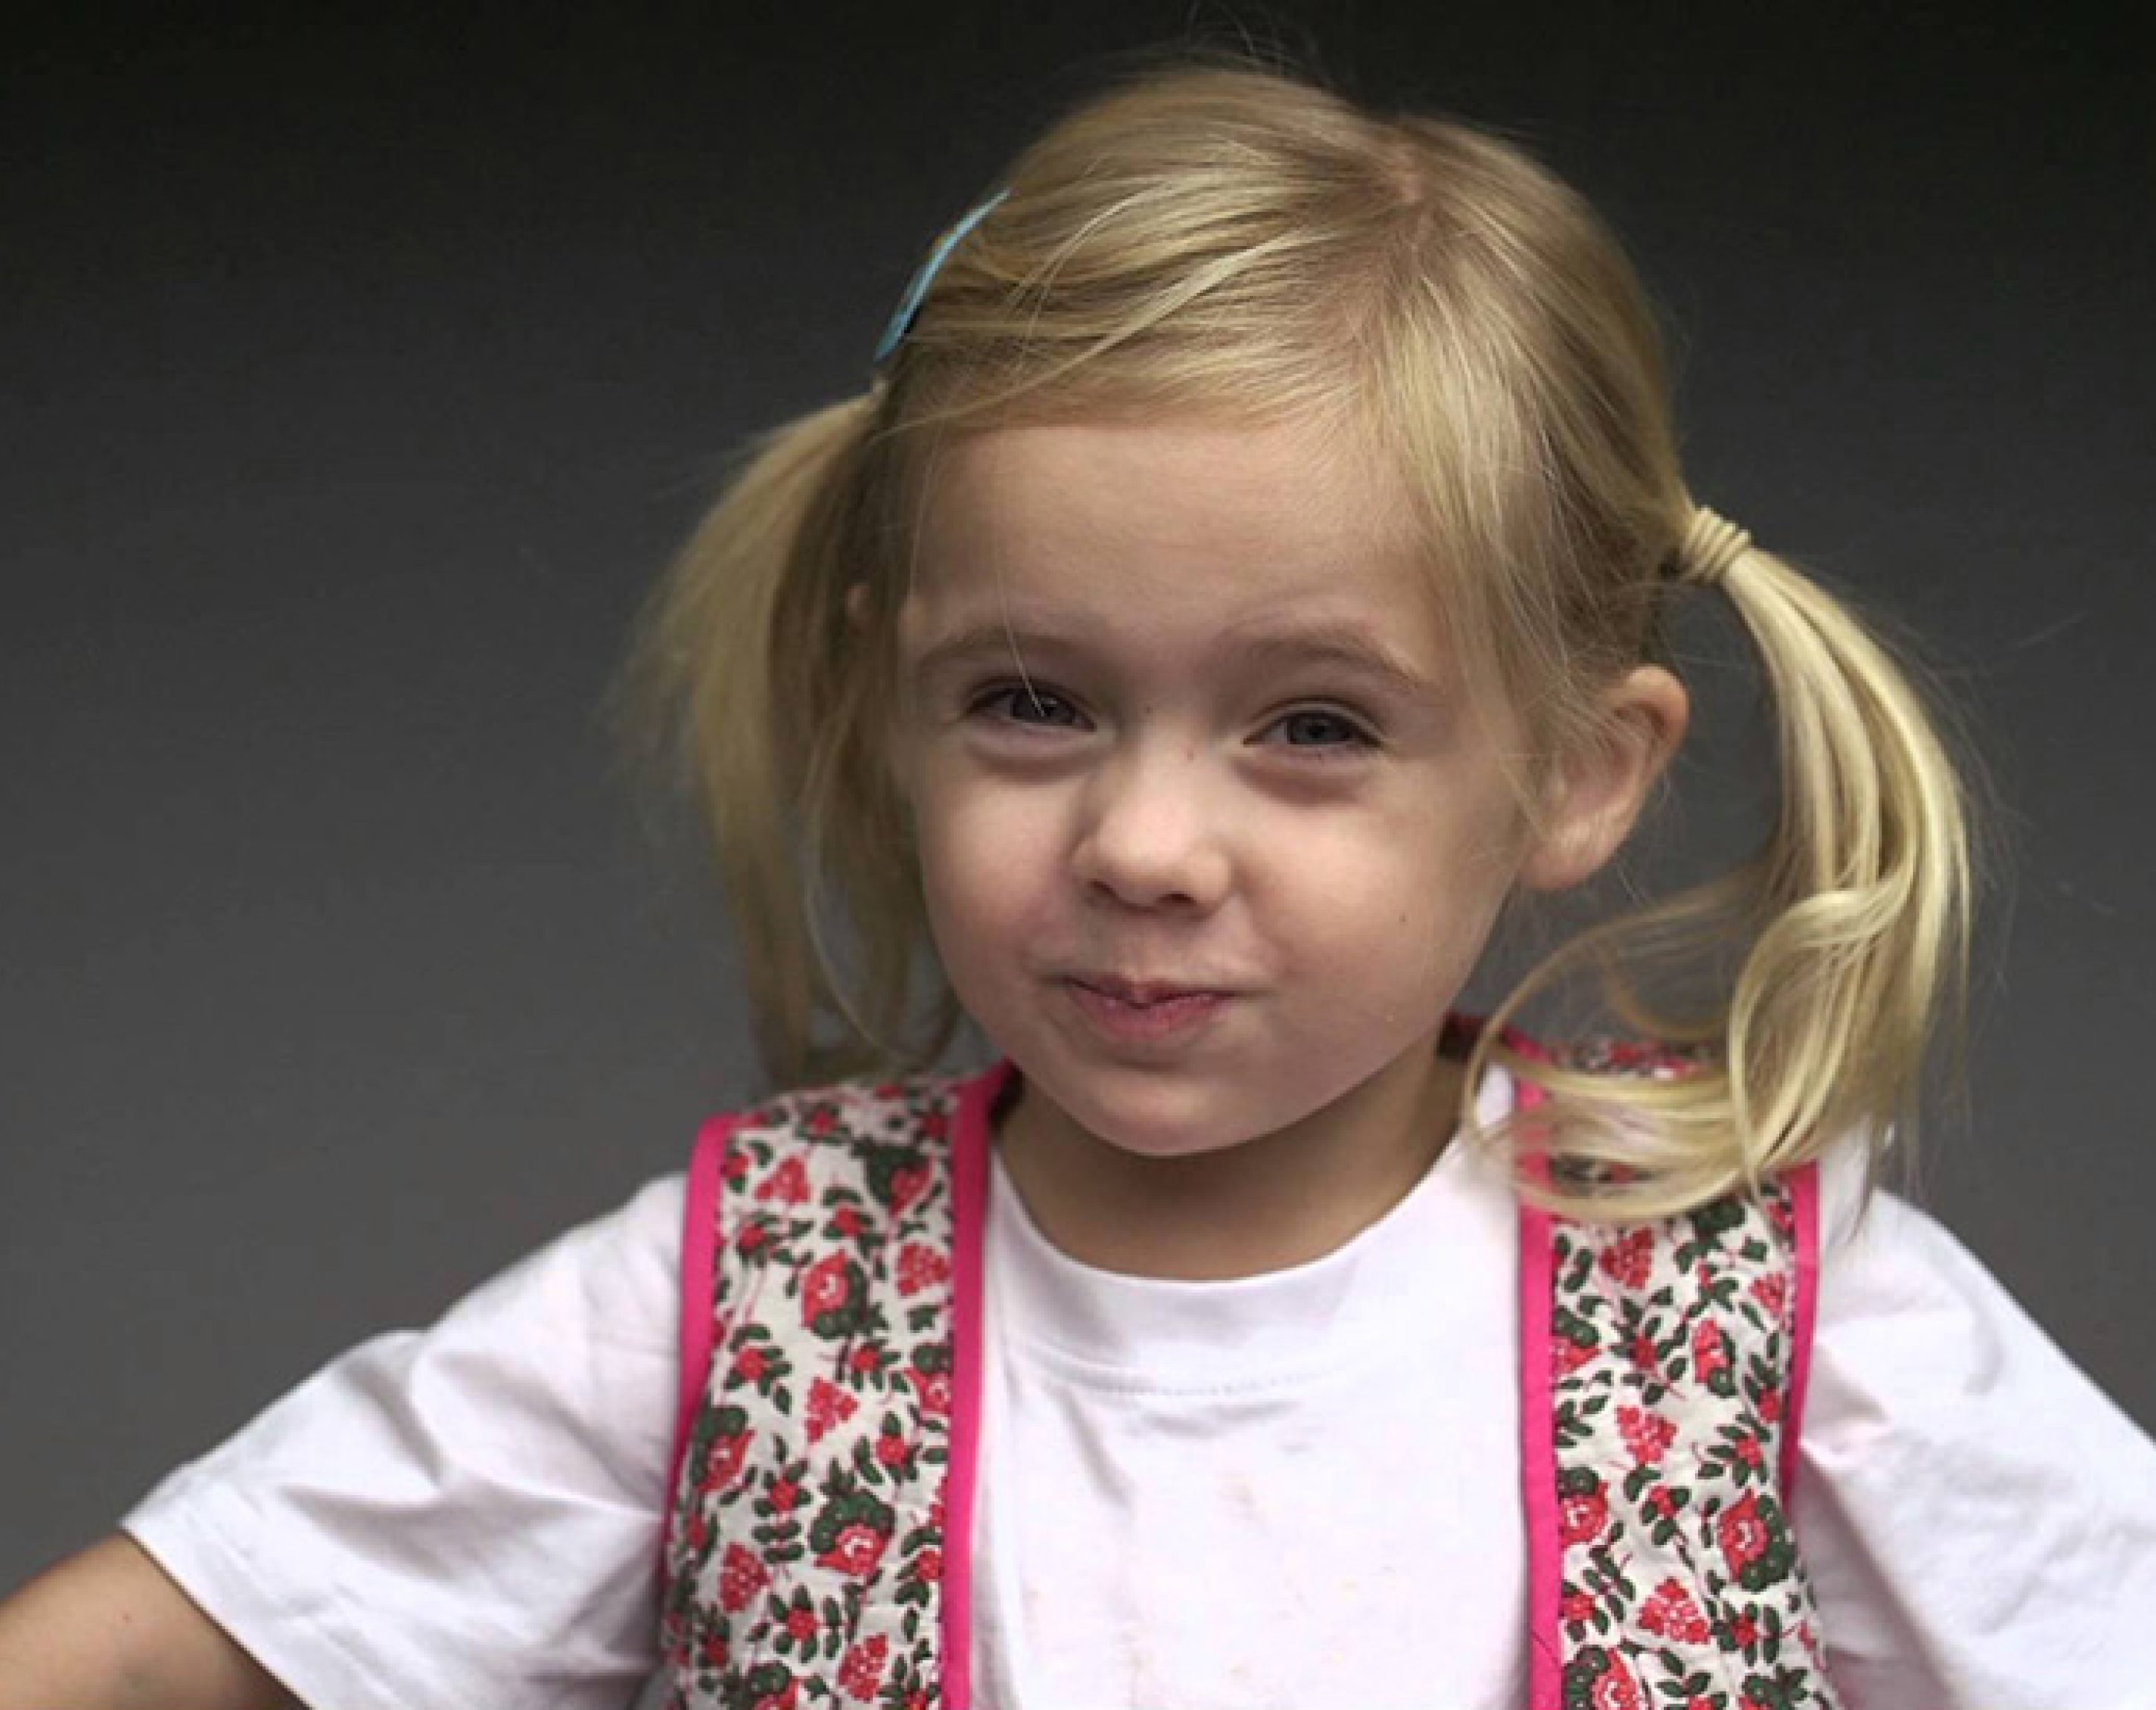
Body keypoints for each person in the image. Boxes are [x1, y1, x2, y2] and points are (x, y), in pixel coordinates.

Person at [3, 49, 2152, 1710]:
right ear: (892, 705)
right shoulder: (749, 1298)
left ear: (1574, 777)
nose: (1140, 846)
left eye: (1314, 726)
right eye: (1031, 701)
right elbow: (136, 1655)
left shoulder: (1760, 1299)